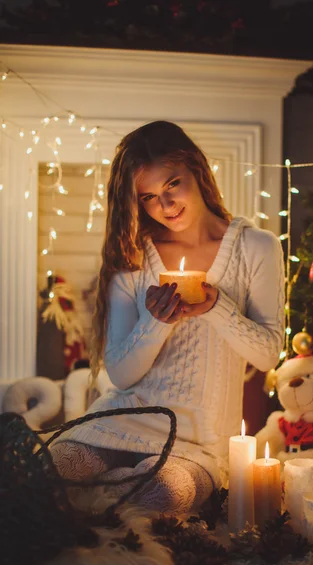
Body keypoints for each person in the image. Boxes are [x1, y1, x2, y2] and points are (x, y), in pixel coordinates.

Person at [51, 120, 285, 515]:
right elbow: (122, 376)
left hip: (200, 440)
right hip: (125, 418)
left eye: (172, 184)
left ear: (197, 168)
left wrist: (216, 307)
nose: (166, 205)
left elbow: (267, 356)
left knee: (161, 494)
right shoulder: (133, 256)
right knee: (52, 467)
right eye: (148, 197)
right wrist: (156, 322)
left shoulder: (257, 247)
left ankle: (101, 509)